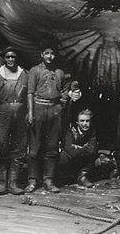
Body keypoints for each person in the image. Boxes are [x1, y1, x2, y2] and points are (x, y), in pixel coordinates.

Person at [25, 45, 81, 193]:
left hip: (54, 110)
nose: (50, 56)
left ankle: (49, 180)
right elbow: (30, 92)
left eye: (52, 54)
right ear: (42, 54)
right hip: (38, 107)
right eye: (47, 53)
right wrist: (30, 112)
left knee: (52, 146)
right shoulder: (35, 71)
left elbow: (64, 92)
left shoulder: (59, 72)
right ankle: (32, 180)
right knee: (35, 147)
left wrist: (60, 107)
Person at [0, 46, 28, 195]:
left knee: (18, 147)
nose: (11, 59)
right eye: (8, 57)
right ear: (3, 59)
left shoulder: (25, 74)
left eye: (13, 57)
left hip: (20, 112)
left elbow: (30, 93)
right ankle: (1, 183)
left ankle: (13, 183)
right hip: (4, 112)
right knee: (1, 145)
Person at [59, 109, 97, 188]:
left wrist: (77, 147)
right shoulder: (71, 131)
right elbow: (69, 151)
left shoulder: (92, 132)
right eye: (82, 121)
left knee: (94, 156)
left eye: (87, 121)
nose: (85, 124)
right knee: (64, 156)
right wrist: (84, 148)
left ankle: (82, 177)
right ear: (77, 122)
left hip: (83, 159)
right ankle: (66, 177)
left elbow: (91, 149)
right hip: (71, 160)